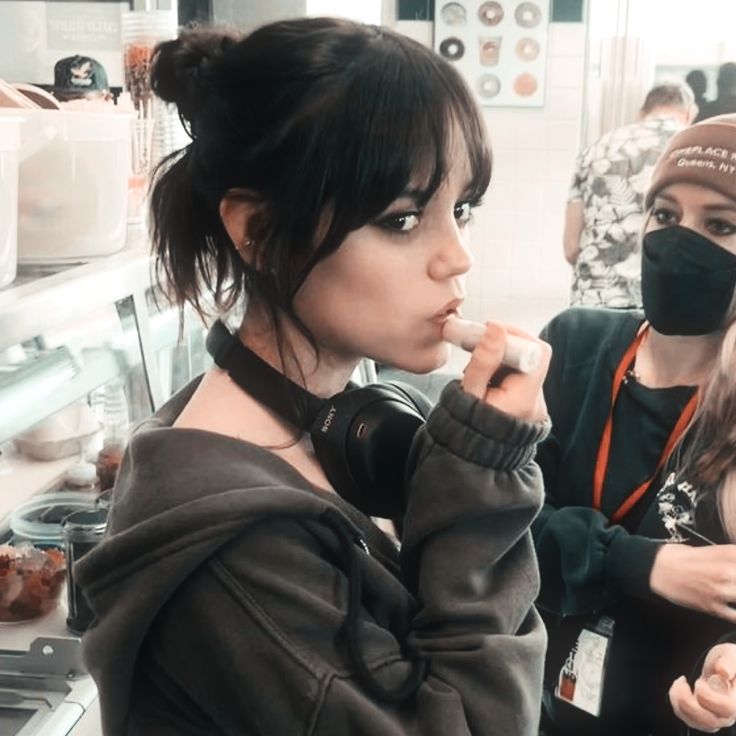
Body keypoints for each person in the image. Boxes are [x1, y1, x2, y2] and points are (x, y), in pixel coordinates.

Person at [74, 18, 552, 736]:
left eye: (461, 210)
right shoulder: (237, 549)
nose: (458, 257)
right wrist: (484, 480)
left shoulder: (350, 415)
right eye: (401, 219)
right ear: (260, 233)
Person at [534, 114, 736, 735]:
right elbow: (495, 526)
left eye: (721, 224)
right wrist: (641, 563)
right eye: (665, 215)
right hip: (538, 700)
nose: (679, 241)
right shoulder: (573, 348)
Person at [563, 82, 696, 309]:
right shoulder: (693, 150)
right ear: (689, 114)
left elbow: (571, 247)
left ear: (642, 113)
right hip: (659, 304)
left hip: (592, 303)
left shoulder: (596, 149)